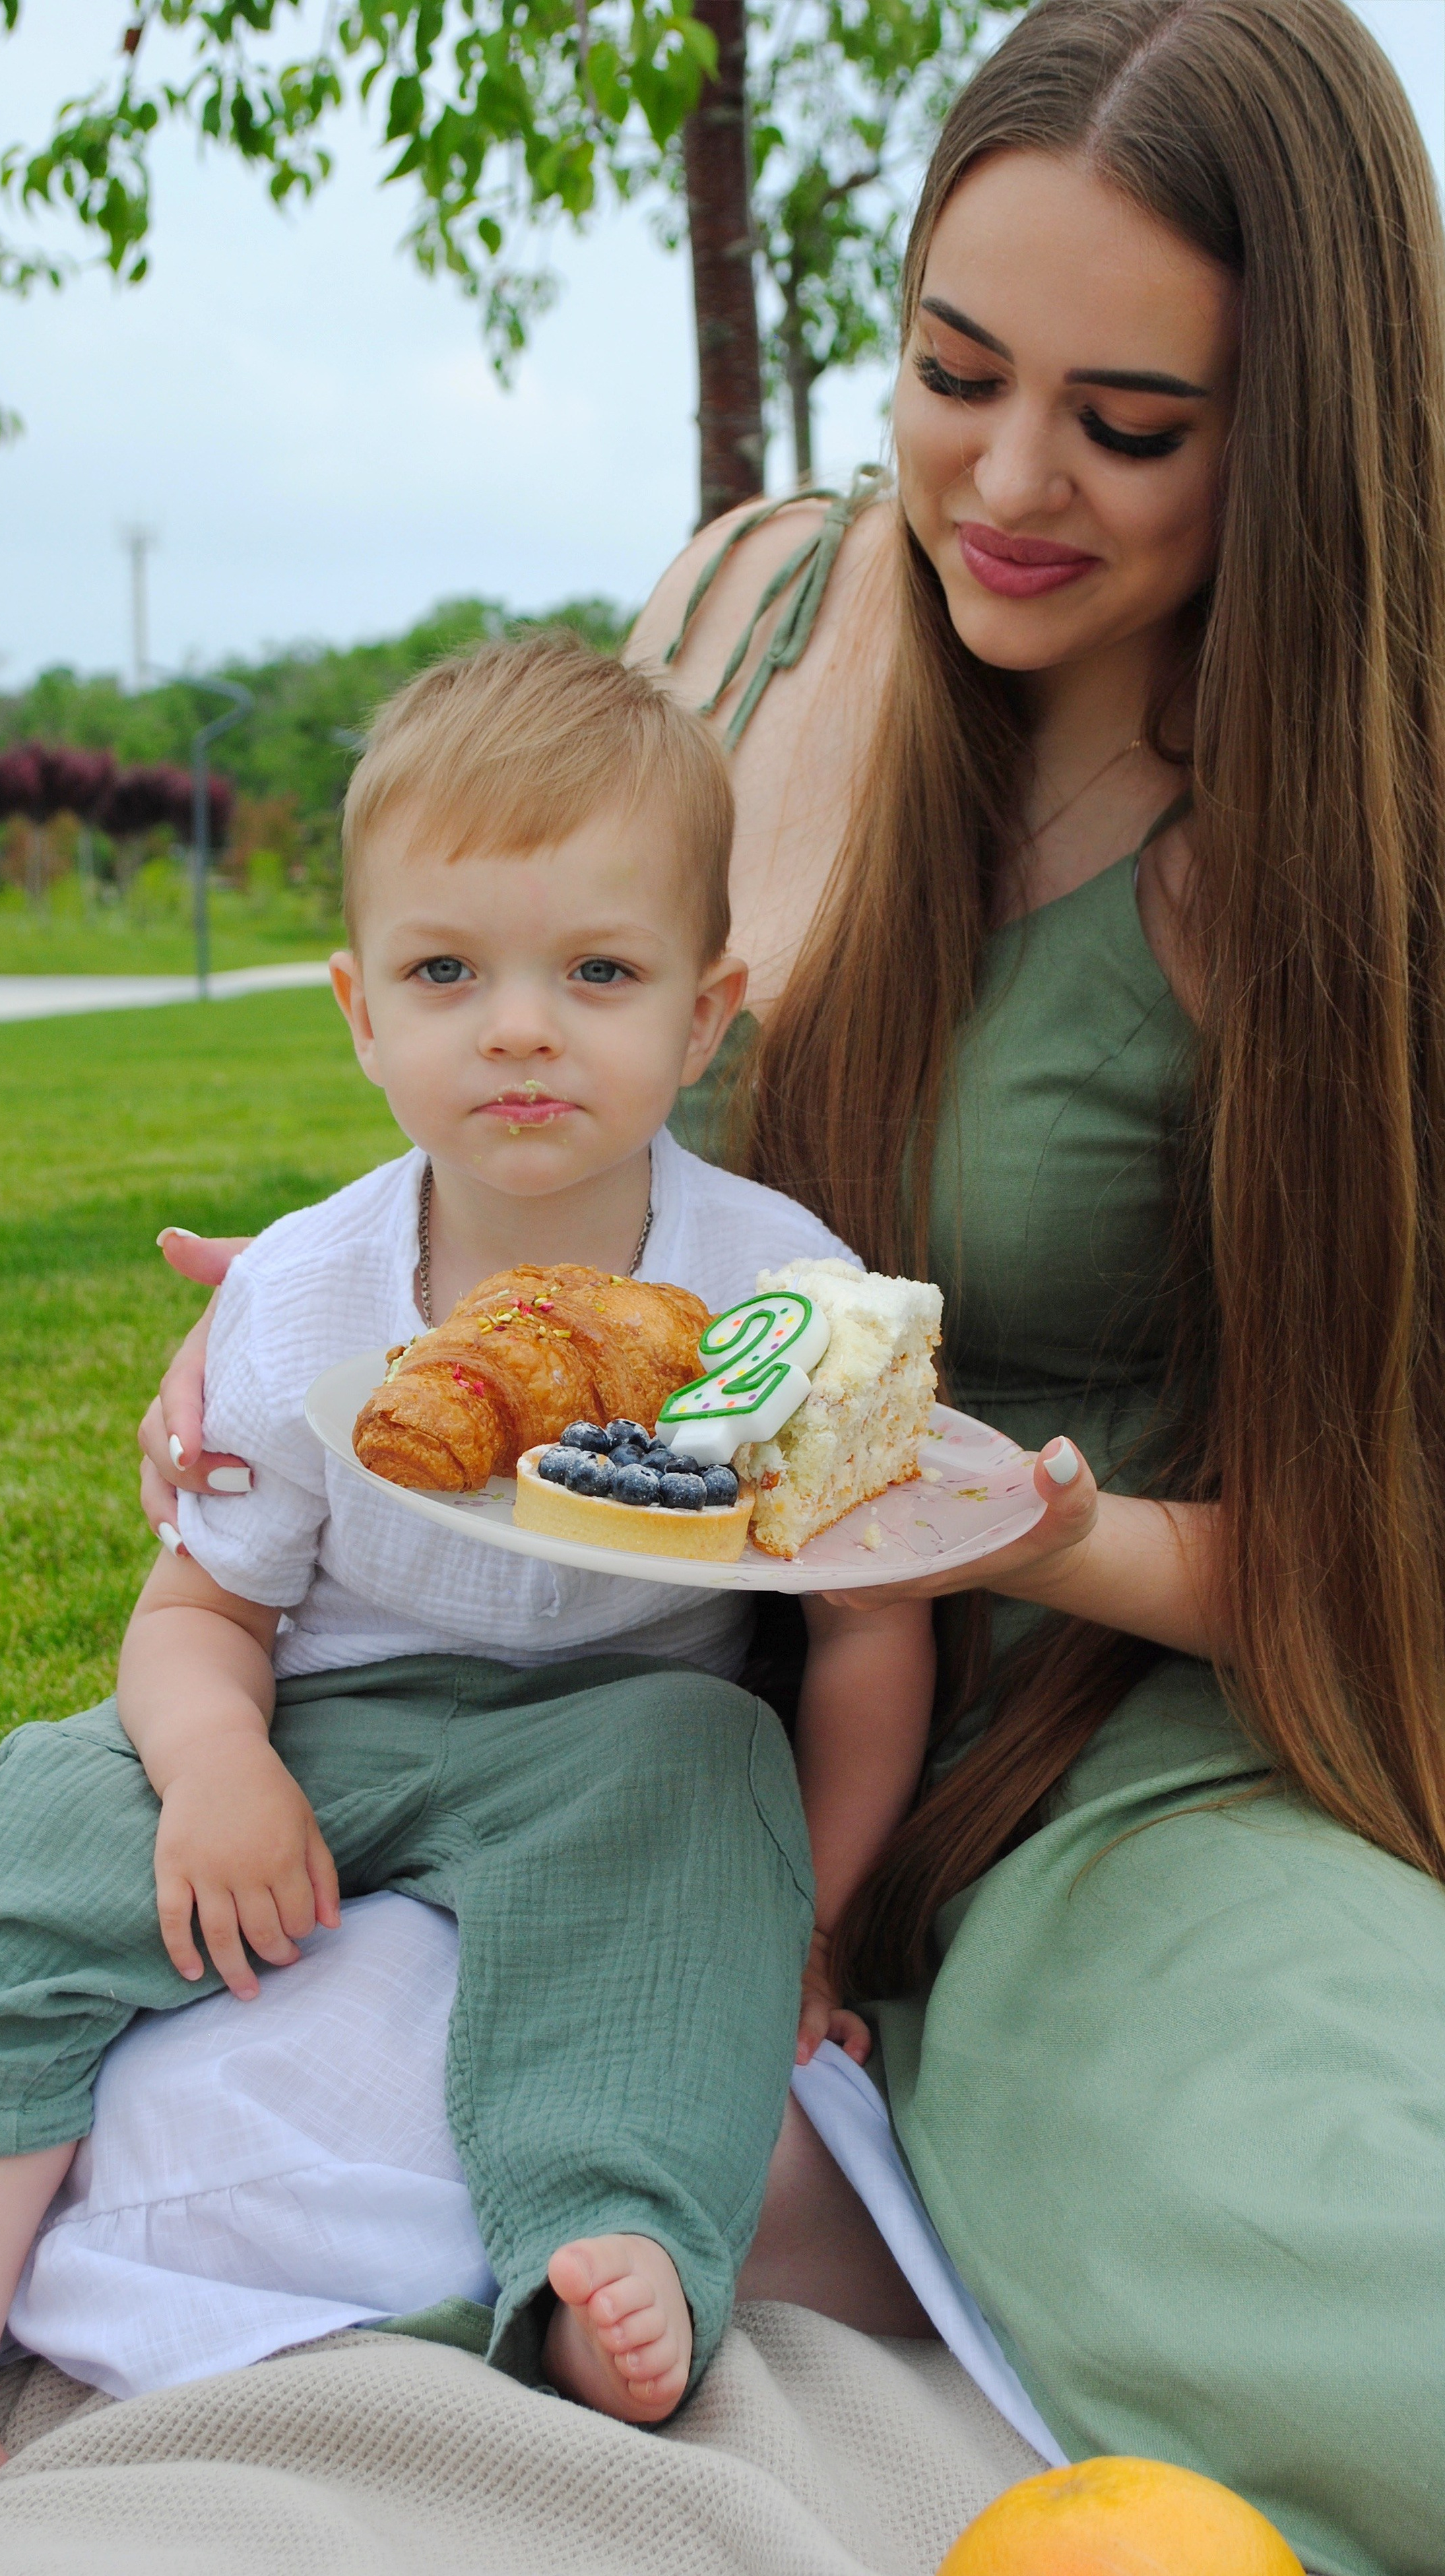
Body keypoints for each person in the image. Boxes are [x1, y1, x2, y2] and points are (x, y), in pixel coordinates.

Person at [131, 5, 1445, 2570]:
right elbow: (546, 1066)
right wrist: (337, 1303)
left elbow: (1379, 1546)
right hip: (629, 1718)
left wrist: (1010, 1531)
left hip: (1101, 1743)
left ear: (1308, 428)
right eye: (955, 374)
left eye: (1133, 423)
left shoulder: (1344, 873)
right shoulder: (767, 634)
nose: (1005, 480)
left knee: (1359, 2315)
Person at [0, 633, 973, 2547]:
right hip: (323, 1708)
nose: (518, 1028)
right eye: (447, 973)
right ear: (357, 1011)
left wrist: (814, 1919)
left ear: (708, 1006)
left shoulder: (774, 1295)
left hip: (611, 1731)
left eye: (597, 972)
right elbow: (197, 1615)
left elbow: (864, 1625)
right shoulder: (310, 1295)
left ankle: (602, 2239)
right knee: (54, 1815)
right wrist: (216, 1762)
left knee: (695, 1792)